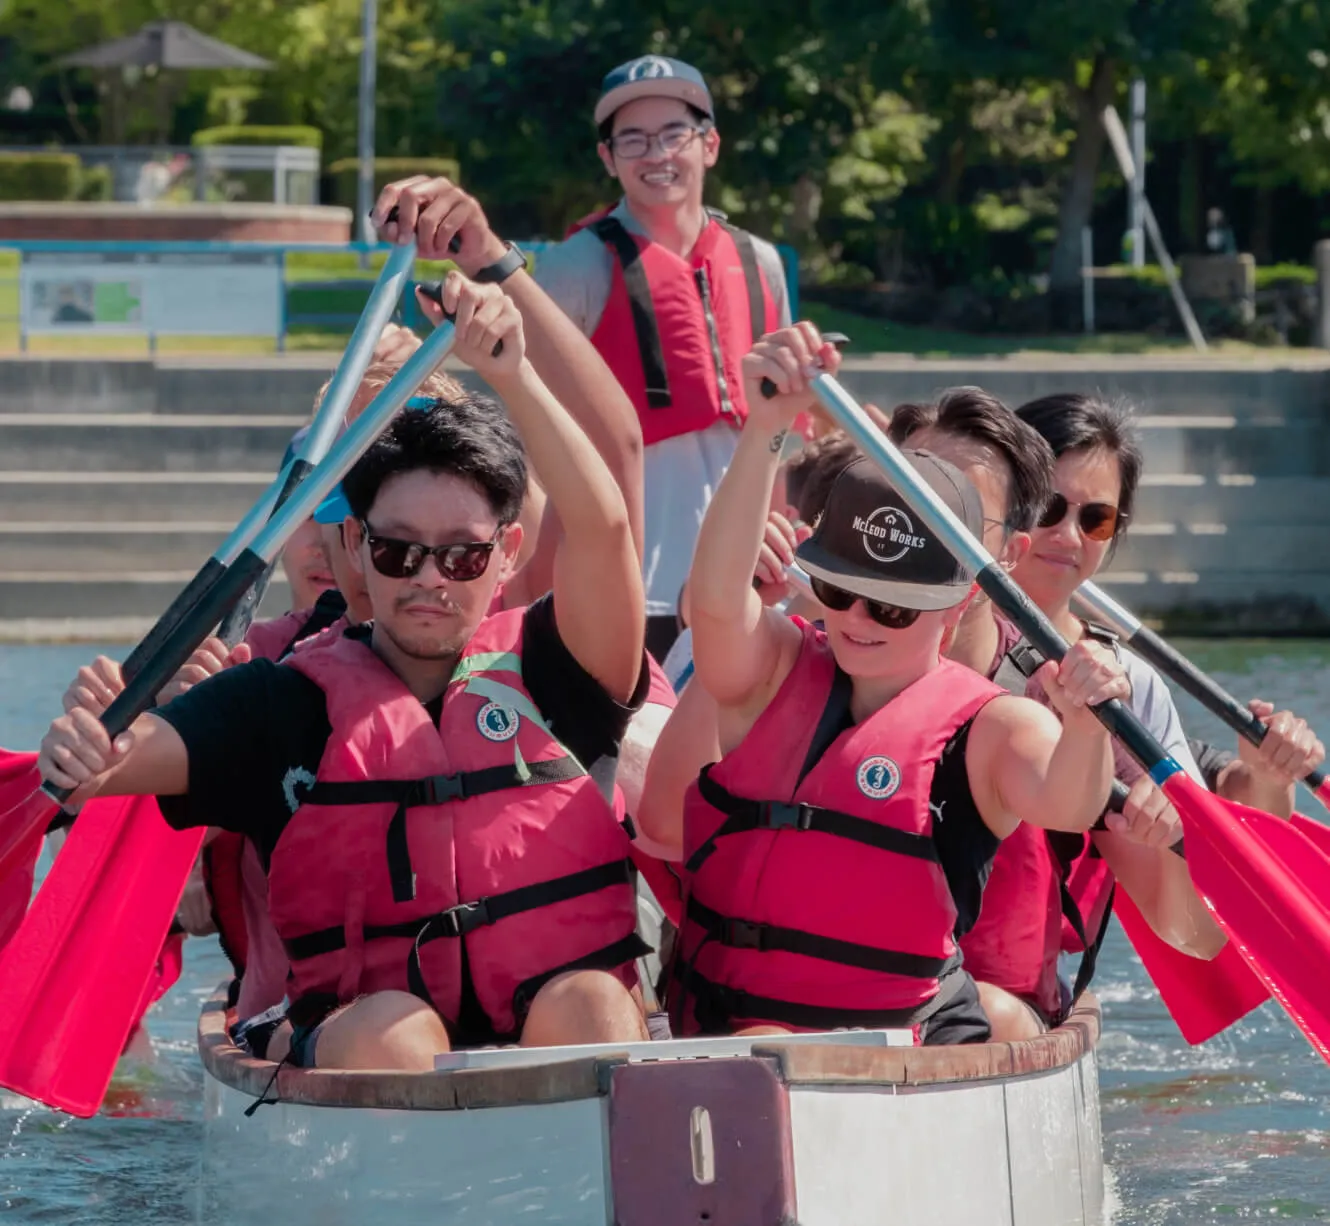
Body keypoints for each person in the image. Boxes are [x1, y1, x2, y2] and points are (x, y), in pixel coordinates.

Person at [40, 273, 652, 1070]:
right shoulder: (283, 696)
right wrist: (86, 751)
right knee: (397, 1031)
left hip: (547, 1052)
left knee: (596, 1002)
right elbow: (126, 760)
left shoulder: (561, 665)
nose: (430, 578)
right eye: (400, 552)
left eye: (461, 556)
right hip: (359, 1040)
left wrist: (510, 370)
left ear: (507, 554)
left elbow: (604, 527)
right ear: (358, 547)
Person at [668, 323, 1150, 1045]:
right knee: (756, 1042)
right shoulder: (774, 666)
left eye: (894, 606)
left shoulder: (997, 724)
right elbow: (714, 601)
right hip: (733, 1027)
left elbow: (1069, 802)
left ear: (960, 601)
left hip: (901, 1042)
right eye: (840, 592)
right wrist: (765, 425)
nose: (857, 620)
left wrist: (1085, 725)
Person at [523, 55, 791, 661]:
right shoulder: (575, 267)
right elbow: (532, 429)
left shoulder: (760, 264)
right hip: (628, 588)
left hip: (740, 582)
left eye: (675, 134)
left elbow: (779, 434)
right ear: (608, 157)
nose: (656, 154)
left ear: (710, 145)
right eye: (634, 140)